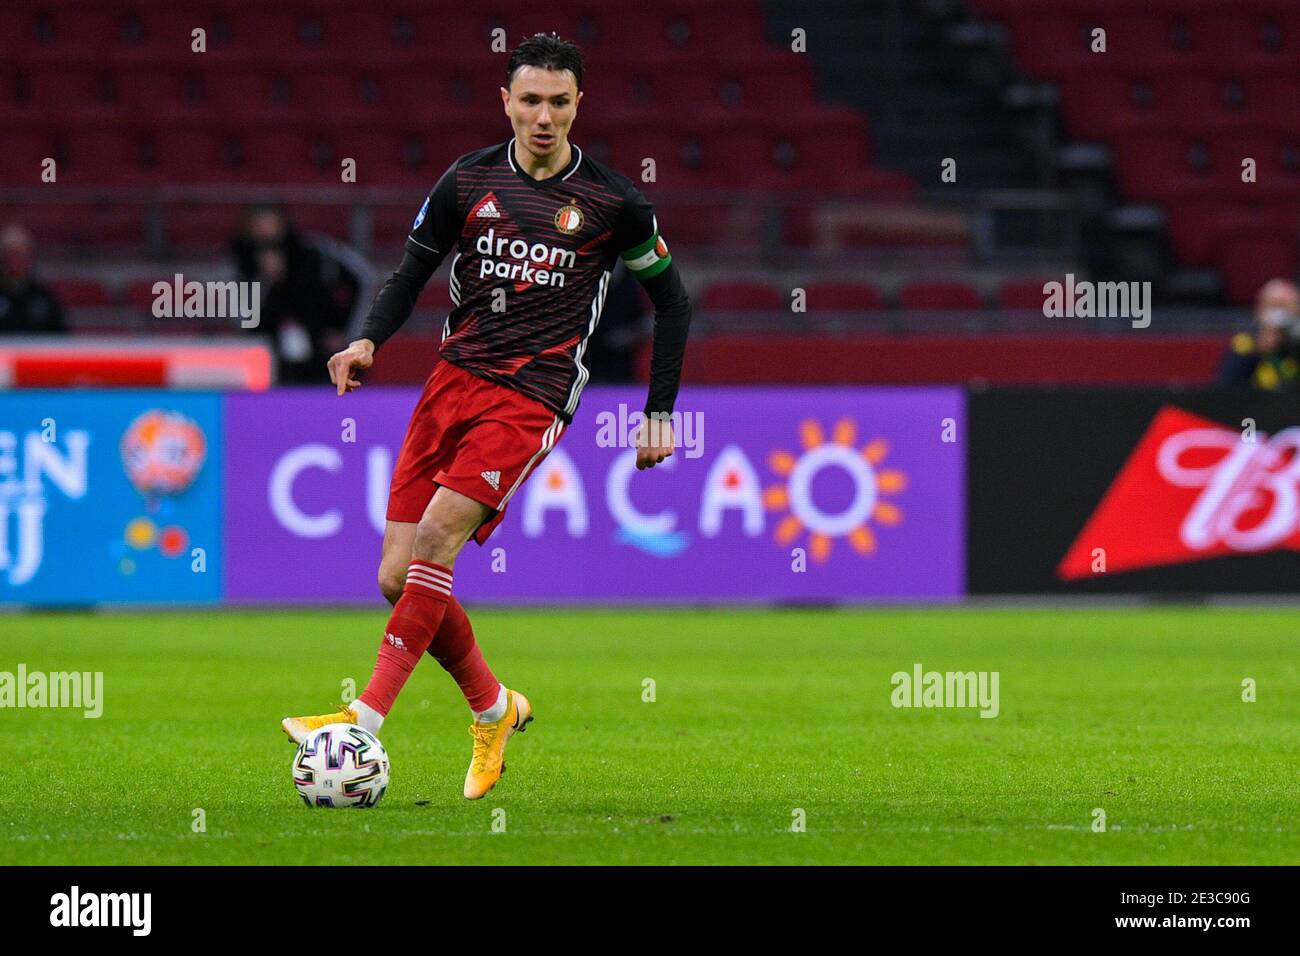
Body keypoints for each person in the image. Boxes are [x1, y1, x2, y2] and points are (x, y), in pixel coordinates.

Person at [282, 34, 692, 800]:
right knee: (397, 576)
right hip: (451, 383)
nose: (544, 117)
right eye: (530, 100)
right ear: (506, 101)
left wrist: (659, 411)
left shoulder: (613, 203)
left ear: (579, 106)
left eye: (559, 102)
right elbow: (411, 271)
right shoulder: (466, 180)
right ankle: (494, 708)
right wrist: (368, 337)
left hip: (532, 394)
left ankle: (361, 723)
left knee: (439, 537)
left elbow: (673, 300)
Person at [230, 206, 358, 383]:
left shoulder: (311, 252)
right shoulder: (241, 262)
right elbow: (241, 317)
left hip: (321, 351)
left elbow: (362, 279)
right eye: (260, 226)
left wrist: (349, 333)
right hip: (268, 355)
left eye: (271, 224)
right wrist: (265, 279)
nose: (267, 232)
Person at [1218, 278, 1300, 390]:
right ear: (1259, 310)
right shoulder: (1245, 343)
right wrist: (1260, 349)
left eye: (1286, 306)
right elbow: (1225, 388)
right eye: (1274, 305)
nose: (1280, 314)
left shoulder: (1296, 344)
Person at [0, 224, 66, 335]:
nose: (16, 261)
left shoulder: (44, 296)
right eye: (12, 255)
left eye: (22, 255)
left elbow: (61, 338)